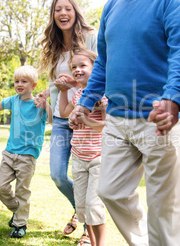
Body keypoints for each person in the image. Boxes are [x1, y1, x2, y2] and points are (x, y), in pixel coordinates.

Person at [69, 0, 180, 245]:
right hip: (116, 117)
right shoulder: (112, 5)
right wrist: (84, 103)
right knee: (110, 190)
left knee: (163, 204)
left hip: (158, 117)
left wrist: (172, 97)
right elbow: (102, 61)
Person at [35, 0, 97, 244]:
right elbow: (54, 83)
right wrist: (48, 94)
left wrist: (78, 86)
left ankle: (88, 228)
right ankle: (81, 211)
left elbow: (100, 71)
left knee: (90, 175)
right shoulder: (51, 47)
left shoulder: (91, 37)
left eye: (68, 8)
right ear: (53, 15)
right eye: (58, 9)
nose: (63, 13)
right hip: (62, 119)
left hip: (87, 115)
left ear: (75, 11)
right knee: (59, 175)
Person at [0, 65, 51, 238]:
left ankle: (20, 224)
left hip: (28, 156)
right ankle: (18, 211)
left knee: (22, 191)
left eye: (24, 81)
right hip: (9, 153)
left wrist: (46, 104)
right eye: (16, 81)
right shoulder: (13, 100)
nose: (19, 84)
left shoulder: (38, 103)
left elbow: (52, 119)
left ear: (33, 85)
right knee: (0, 187)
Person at [57, 50, 107, 246]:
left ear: (96, 68)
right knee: (83, 207)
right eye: (74, 67)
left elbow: (107, 125)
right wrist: (63, 92)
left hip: (98, 157)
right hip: (78, 156)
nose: (77, 70)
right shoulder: (78, 94)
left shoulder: (103, 95)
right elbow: (63, 112)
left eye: (83, 65)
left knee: (95, 207)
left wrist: (85, 118)